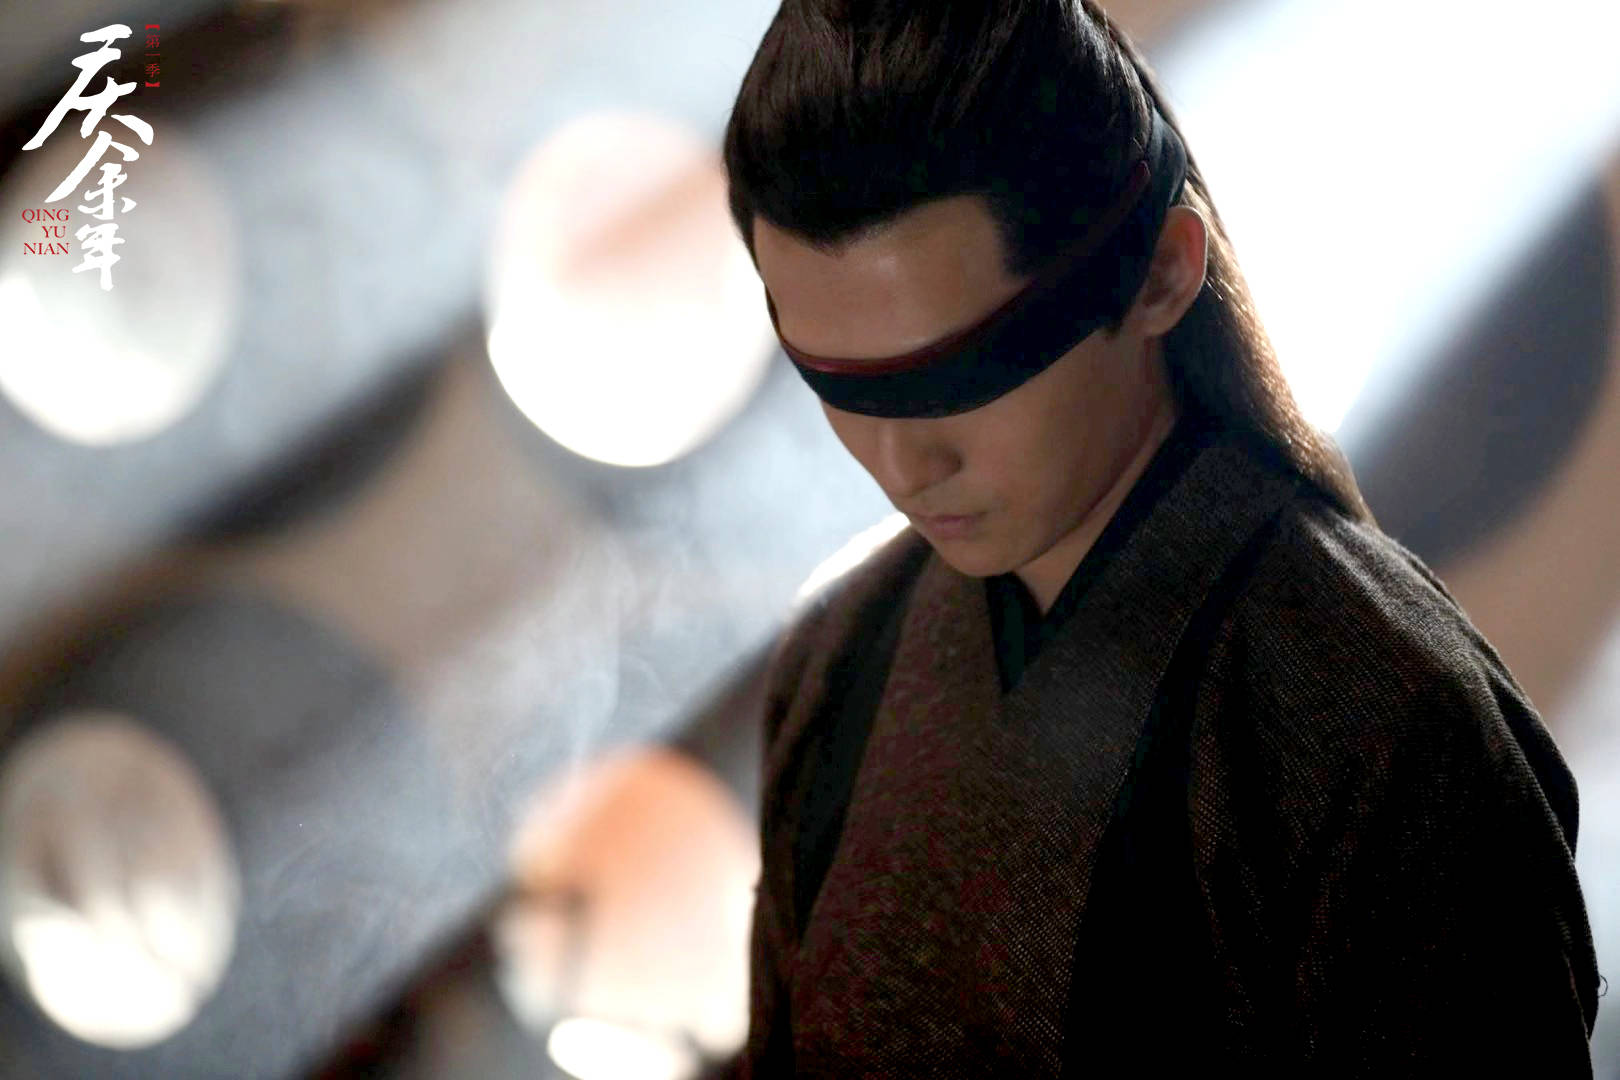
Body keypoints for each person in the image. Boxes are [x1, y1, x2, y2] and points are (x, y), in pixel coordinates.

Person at [718, 1, 1603, 1075]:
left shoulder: (1384, 724)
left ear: (1162, 272)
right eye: (840, 385)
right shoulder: (841, 645)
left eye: (962, 375)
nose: (906, 464)